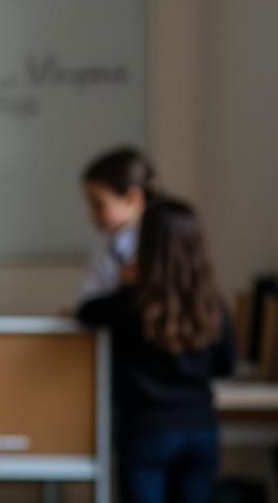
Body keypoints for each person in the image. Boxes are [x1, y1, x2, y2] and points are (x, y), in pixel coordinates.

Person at [77, 198, 234, 503]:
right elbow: (225, 366)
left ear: (145, 244)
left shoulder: (129, 303)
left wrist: (124, 284)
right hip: (201, 426)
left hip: (146, 428)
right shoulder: (214, 304)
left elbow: (86, 311)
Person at [77, 146, 158, 303]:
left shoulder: (161, 239)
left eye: (98, 204)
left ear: (131, 198)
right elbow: (86, 300)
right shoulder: (107, 242)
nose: (90, 213)